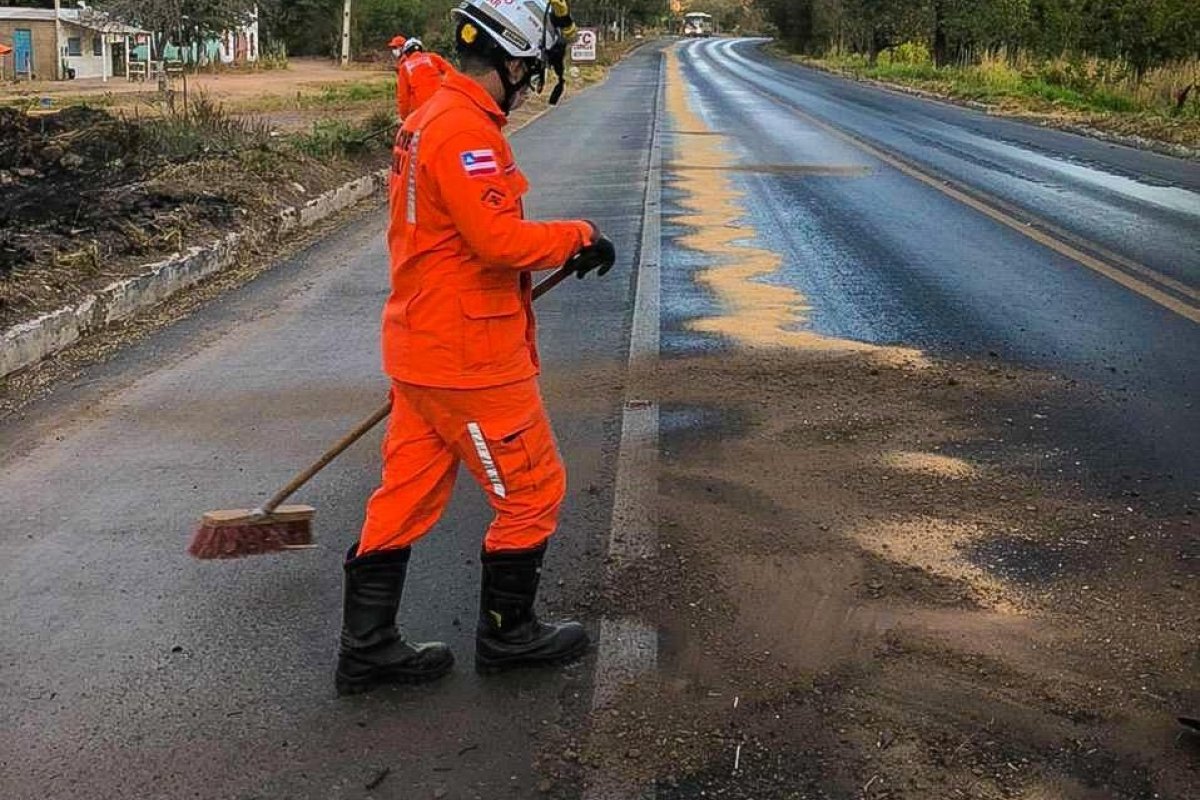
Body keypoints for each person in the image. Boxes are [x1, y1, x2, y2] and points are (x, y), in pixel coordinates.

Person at [336, 0, 615, 696]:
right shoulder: (466, 132)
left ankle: (366, 650)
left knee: (403, 496)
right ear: (513, 63)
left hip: (421, 348)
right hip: (469, 360)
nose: (529, 85)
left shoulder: (428, 114)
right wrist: (576, 237)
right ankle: (509, 636)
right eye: (531, 70)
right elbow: (498, 243)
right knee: (532, 489)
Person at [391, 36, 453, 121]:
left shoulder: (404, 67)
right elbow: (452, 73)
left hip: (422, 112)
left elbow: (403, 97)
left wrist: (405, 118)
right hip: (442, 105)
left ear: (406, 53)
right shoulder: (432, 57)